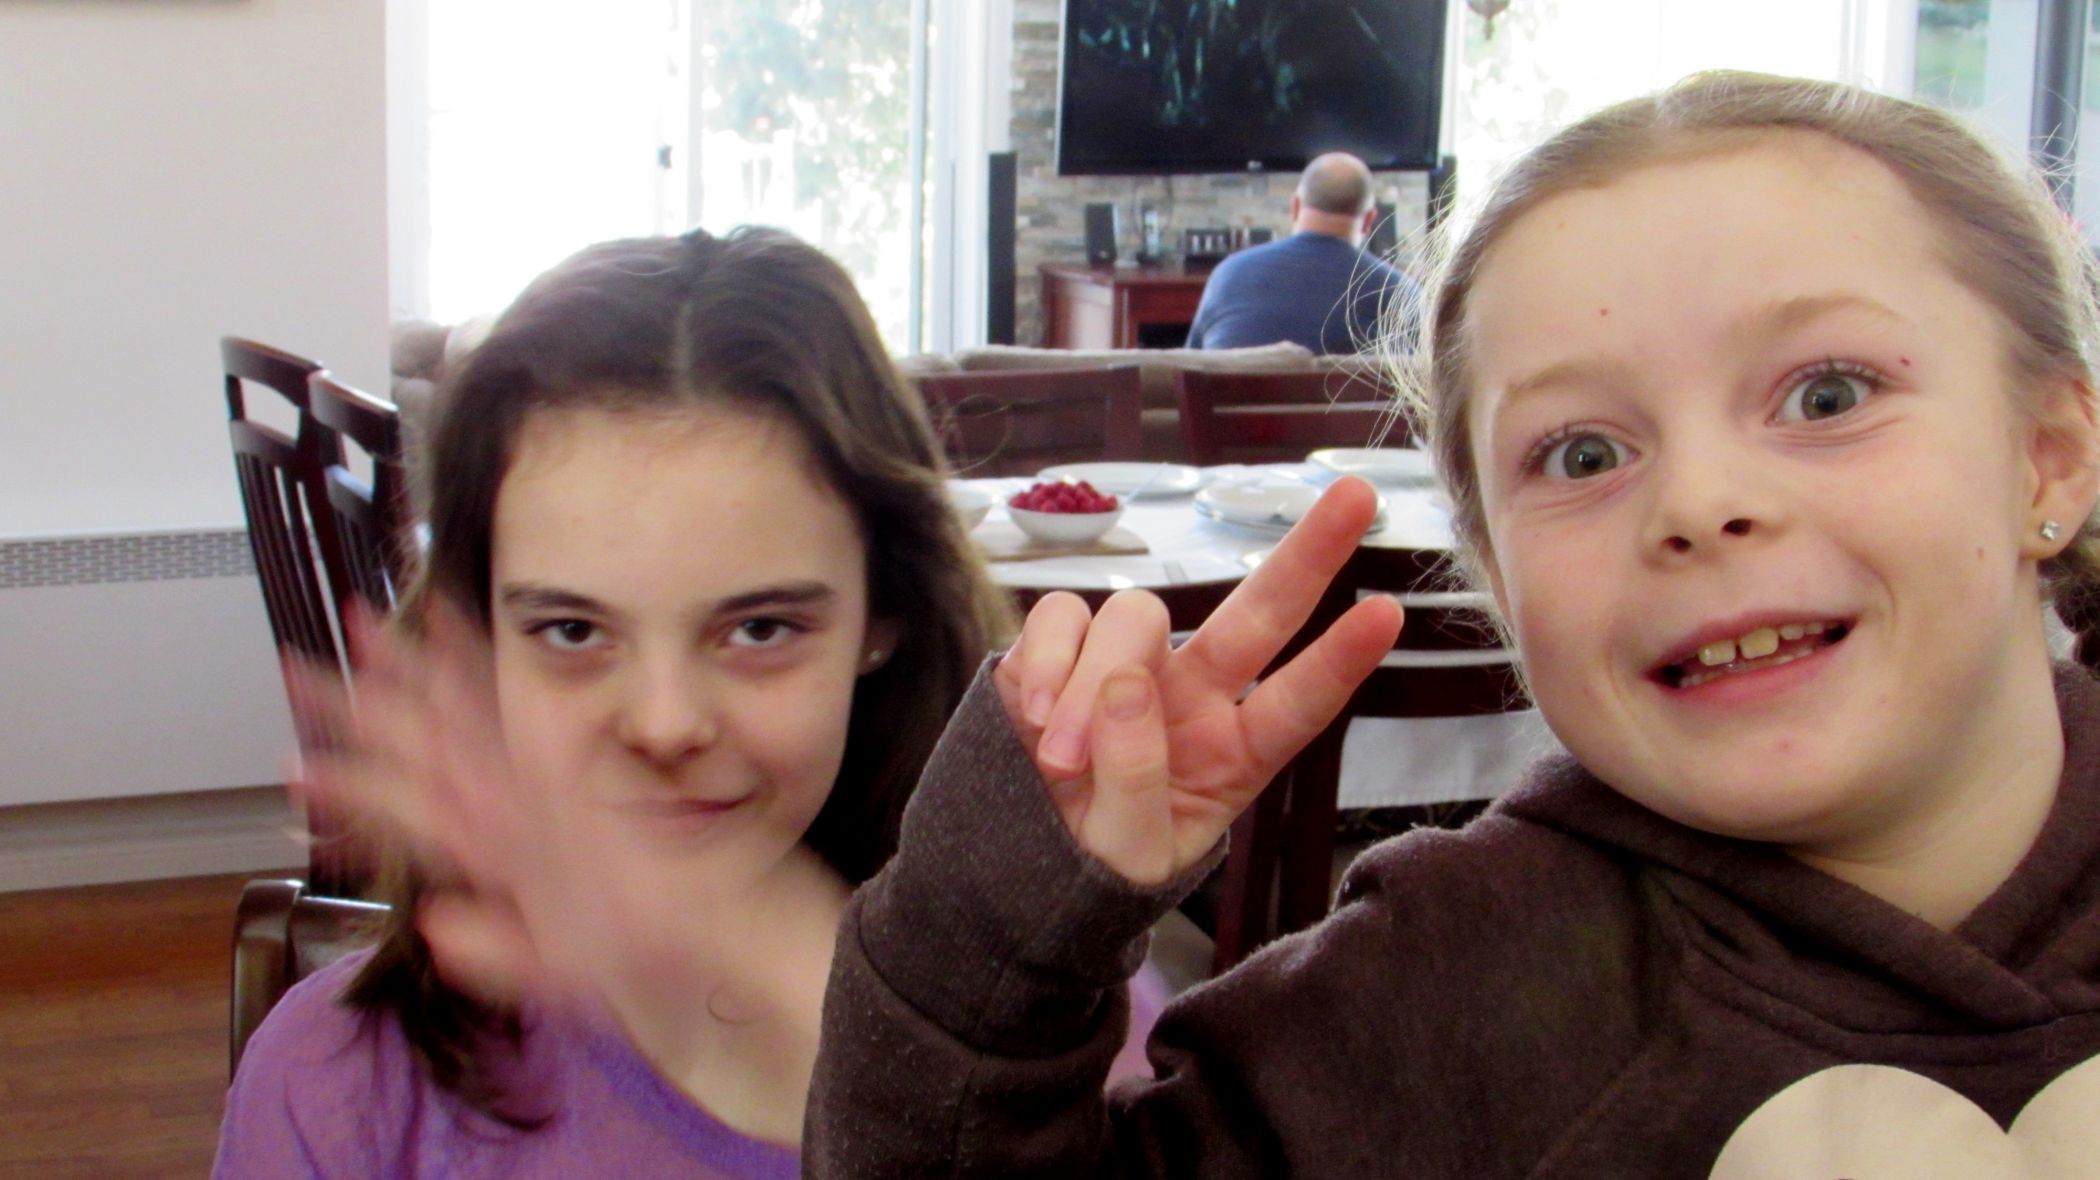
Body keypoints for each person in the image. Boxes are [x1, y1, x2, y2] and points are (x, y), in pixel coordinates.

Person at [805, 72, 2100, 1176]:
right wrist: (990, 937)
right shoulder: (1435, 994)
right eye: (1583, 453)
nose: (1700, 504)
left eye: (1827, 394)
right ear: (1493, 576)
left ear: (2049, 455)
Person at [212, 227, 1111, 1178]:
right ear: (476, 645)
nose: (665, 724)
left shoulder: (1068, 1054)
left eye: (759, 628)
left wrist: (872, 1028)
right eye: (572, 631)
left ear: (882, 616)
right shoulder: (337, 1090)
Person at [1183, 150, 1419, 354]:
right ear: (1369, 220)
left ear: (1295, 206)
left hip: (1231, 395)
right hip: (1340, 396)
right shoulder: (1400, 293)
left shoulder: (1227, 275)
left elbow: (1189, 369)